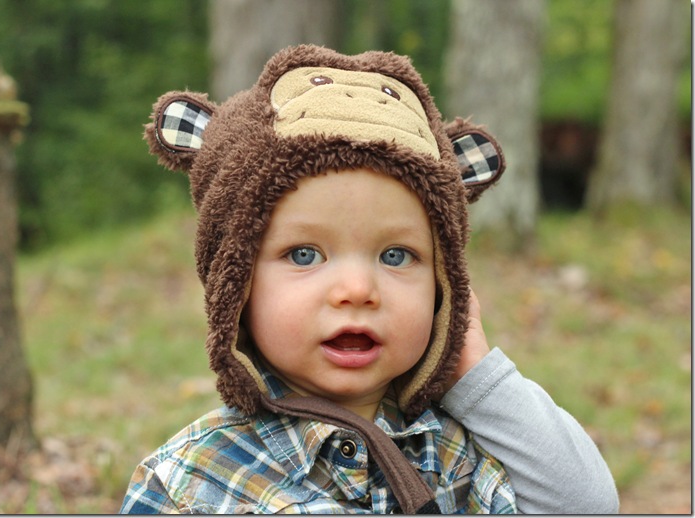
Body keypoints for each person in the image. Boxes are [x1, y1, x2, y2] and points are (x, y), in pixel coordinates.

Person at [119, 45, 619, 514]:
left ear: (444, 287)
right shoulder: (192, 483)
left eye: (396, 256)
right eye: (305, 254)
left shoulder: (461, 454)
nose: (357, 290)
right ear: (236, 284)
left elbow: (587, 505)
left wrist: (474, 376)